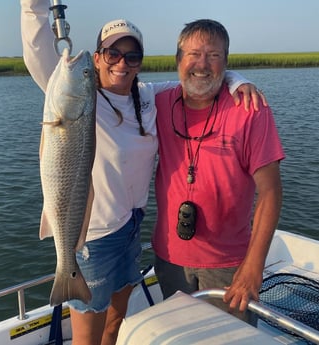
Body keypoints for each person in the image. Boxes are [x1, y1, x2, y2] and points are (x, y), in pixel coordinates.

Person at [21, 1, 267, 343]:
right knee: (87, 336)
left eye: (132, 56)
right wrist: (33, 9)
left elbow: (198, 76)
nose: (122, 63)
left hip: (131, 229)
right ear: (96, 58)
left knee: (116, 322)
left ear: (140, 63)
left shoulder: (150, 96)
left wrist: (239, 80)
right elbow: (37, 55)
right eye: (111, 53)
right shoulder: (77, 96)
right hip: (91, 236)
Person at [152, 18, 285, 325]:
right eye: (193, 54)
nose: (202, 64)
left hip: (229, 265)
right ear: (177, 60)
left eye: (214, 55)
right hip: (170, 257)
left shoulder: (251, 109)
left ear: (226, 63)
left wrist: (253, 267)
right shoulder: (157, 103)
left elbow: (271, 191)